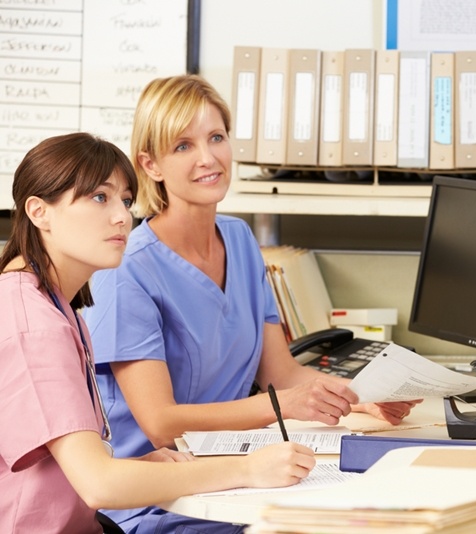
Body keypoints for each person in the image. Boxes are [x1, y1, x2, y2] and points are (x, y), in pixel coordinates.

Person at [82, 74, 419, 532]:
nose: (208, 158)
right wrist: (283, 406)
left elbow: (282, 375)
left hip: (238, 479)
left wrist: (360, 400)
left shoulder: (240, 240)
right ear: (151, 163)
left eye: (216, 137)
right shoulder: (127, 271)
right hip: (164, 499)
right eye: (183, 146)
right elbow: (161, 424)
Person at [0, 132, 316, 534]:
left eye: (126, 201)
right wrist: (248, 469)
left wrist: (134, 467)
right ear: (38, 211)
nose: (121, 216)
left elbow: (68, 468)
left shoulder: (55, 303)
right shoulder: (33, 325)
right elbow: (98, 484)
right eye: (100, 197)